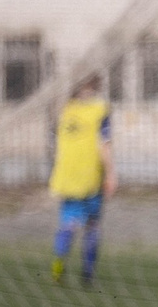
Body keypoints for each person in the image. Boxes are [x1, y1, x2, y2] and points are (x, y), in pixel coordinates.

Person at [48, 74, 113, 287]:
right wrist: (111, 172)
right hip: (90, 176)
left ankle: (59, 262)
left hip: (66, 176)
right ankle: (87, 272)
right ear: (95, 86)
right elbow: (104, 144)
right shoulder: (100, 110)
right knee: (92, 225)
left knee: (69, 223)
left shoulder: (66, 109)